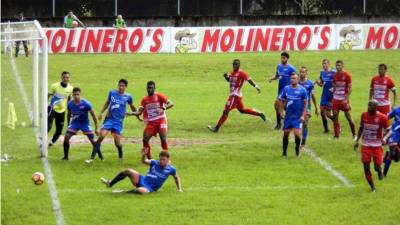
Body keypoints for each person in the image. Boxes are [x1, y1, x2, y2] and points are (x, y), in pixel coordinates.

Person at [86, 79, 141, 163]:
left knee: (117, 143)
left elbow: (133, 107)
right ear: (118, 85)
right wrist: (101, 113)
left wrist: (137, 116)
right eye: (119, 85)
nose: (121, 87)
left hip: (118, 122)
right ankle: (91, 158)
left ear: (126, 87)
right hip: (109, 120)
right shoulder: (112, 93)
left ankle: (120, 155)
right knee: (101, 137)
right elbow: (107, 102)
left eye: (123, 86)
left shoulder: (128, 97)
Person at [208, 59, 265, 133]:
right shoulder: (232, 72)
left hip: (235, 96)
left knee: (226, 111)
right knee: (242, 110)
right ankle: (259, 114)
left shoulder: (242, 73)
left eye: (236, 64)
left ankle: (216, 128)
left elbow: (249, 80)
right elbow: (230, 80)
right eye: (233, 64)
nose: (234, 66)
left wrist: (256, 86)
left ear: (239, 65)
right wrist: (226, 77)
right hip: (237, 96)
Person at [100, 150, 182, 194]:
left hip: (150, 188)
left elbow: (176, 177)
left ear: (168, 159)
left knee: (141, 191)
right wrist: (143, 155)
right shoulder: (154, 162)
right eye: (160, 159)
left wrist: (179, 189)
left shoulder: (171, 169)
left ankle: (122, 192)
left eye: (163, 160)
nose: (161, 161)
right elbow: (144, 161)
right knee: (128, 171)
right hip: (142, 179)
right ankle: (110, 183)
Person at [128, 81, 173, 159]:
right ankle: (149, 159)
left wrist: (163, 108)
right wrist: (131, 113)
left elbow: (171, 103)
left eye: (151, 88)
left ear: (154, 88)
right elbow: (139, 112)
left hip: (161, 120)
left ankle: (166, 158)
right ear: (146, 89)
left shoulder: (159, 95)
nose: (150, 89)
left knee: (163, 138)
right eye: (148, 88)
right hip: (151, 122)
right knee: (145, 139)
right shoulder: (144, 100)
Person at [354, 100, 390, 192]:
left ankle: (380, 170)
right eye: (368, 105)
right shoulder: (364, 115)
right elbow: (361, 128)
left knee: (376, 167)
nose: (368, 108)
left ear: (376, 108)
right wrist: (357, 141)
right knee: (366, 167)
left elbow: (389, 130)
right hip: (366, 145)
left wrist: (385, 138)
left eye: (371, 106)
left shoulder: (382, 117)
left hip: (377, 146)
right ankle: (372, 187)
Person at [63, 87, 99, 160]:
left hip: (85, 124)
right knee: (66, 137)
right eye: (74, 95)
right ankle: (66, 157)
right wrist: (68, 124)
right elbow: (68, 114)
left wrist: (96, 128)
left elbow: (94, 115)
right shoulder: (70, 104)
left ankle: (100, 155)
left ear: (80, 95)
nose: (76, 96)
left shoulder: (86, 104)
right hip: (75, 123)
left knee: (92, 140)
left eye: (77, 94)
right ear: (72, 95)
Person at [278, 74, 308, 157]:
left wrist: (303, 115)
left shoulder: (302, 90)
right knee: (286, 134)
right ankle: (284, 153)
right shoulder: (286, 88)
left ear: (298, 79)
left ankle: (297, 150)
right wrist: (281, 112)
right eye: (291, 78)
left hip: (298, 117)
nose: (292, 79)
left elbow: (305, 103)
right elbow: (281, 100)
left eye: (294, 78)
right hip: (288, 117)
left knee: (297, 133)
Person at [268, 52, 296, 130]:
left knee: (278, 105)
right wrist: (272, 79)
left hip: (287, 91)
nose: (282, 59)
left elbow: (295, 79)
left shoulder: (291, 68)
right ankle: (284, 121)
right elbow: (277, 75)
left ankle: (280, 124)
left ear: (287, 59)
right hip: (280, 90)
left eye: (284, 58)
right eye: (281, 57)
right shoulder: (279, 66)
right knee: (280, 107)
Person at [48, 71, 74, 147]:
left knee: (59, 131)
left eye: (67, 77)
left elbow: (69, 100)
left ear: (69, 78)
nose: (65, 79)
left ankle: (51, 143)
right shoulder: (54, 86)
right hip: (52, 108)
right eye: (64, 77)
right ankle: (41, 139)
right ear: (61, 77)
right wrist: (46, 105)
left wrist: (70, 110)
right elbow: (48, 95)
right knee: (48, 126)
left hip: (62, 111)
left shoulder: (70, 88)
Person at [331, 60, 356, 139]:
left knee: (348, 116)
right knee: (335, 116)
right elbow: (335, 86)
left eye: (339, 65)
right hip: (335, 99)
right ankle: (336, 135)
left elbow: (350, 88)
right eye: (336, 65)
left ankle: (354, 134)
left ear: (342, 66)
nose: (338, 67)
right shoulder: (334, 75)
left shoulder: (347, 75)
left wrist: (346, 99)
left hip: (343, 99)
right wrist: (333, 90)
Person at [299, 67, 318, 147]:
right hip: (297, 106)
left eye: (303, 72)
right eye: (300, 72)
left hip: (307, 106)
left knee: (305, 123)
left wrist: (316, 107)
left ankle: (303, 141)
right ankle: (298, 138)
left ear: (306, 73)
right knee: (297, 124)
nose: (301, 73)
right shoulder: (296, 82)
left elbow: (313, 95)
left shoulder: (310, 83)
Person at [315, 59, 335, 133]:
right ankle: (326, 129)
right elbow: (322, 84)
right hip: (324, 95)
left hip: (331, 96)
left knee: (328, 114)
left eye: (325, 64)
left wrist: (334, 88)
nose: (324, 65)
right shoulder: (322, 72)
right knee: (322, 112)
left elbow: (338, 83)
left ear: (329, 64)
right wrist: (318, 83)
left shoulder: (333, 72)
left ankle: (336, 123)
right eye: (323, 64)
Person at [382, 107, 400, 177]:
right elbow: (386, 118)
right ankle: (383, 174)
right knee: (392, 154)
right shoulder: (396, 110)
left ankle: (387, 153)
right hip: (395, 134)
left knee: (396, 159)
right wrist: (386, 128)